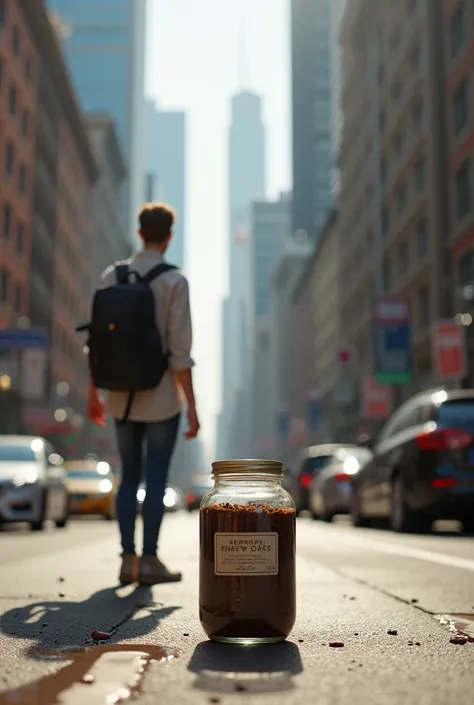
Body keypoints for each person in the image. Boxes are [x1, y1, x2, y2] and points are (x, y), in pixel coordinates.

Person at [88, 202, 200, 585]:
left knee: (127, 476)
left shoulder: (111, 275)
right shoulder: (174, 282)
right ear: (168, 237)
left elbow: (96, 341)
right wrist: (193, 409)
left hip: (119, 395)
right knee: (155, 478)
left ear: (139, 233)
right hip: (162, 397)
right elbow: (180, 352)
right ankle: (150, 560)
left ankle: (126, 560)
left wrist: (94, 394)